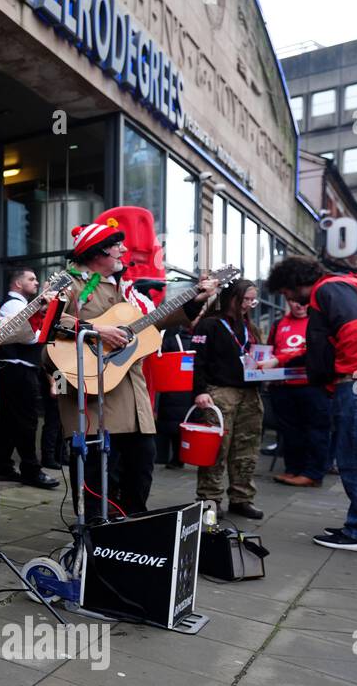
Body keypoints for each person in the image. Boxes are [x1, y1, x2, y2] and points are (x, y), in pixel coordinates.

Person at [47, 218, 218, 521]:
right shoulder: (66, 283)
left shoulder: (128, 291)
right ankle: (96, 540)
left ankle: (133, 538)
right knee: (99, 479)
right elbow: (46, 328)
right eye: (116, 246)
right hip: (92, 400)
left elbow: (157, 322)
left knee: (141, 469)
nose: (124, 250)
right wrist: (95, 329)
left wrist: (195, 301)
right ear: (97, 251)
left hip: (135, 401)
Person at [265, 256, 357, 552]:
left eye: (286, 291)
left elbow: (355, 329)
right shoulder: (348, 285)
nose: (288, 298)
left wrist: (349, 375)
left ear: (294, 283)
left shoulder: (329, 289)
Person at [191, 280, 266, 519]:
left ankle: (242, 497)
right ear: (232, 298)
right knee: (216, 449)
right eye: (244, 299)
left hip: (250, 394)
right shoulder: (210, 325)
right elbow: (197, 360)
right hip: (220, 392)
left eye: (252, 300)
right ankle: (209, 499)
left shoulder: (250, 327)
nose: (248, 305)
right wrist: (200, 391)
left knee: (247, 448)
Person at [0, 267, 58, 489]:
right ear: (18, 283)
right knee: (27, 420)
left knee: (12, 422)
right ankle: (31, 469)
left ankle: (3, 466)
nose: (35, 282)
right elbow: (31, 338)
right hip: (17, 370)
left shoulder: (20, 305)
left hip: (20, 370)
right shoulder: (14, 305)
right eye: (31, 279)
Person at [266, 298, 331, 488]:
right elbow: (270, 351)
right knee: (290, 431)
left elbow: (312, 352)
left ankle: (313, 473)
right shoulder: (279, 324)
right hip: (283, 386)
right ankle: (293, 469)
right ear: (288, 301)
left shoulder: (318, 323)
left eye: (303, 302)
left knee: (315, 430)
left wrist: (279, 360)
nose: (299, 305)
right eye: (294, 301)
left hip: (312, 386)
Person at [153, 322, 195, 469]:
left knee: (173, 425)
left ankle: (174, 458)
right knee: (180, 425)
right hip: (186, 389)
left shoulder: (171, 338)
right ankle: (179, 456)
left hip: (174, 388)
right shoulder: (197, 339)